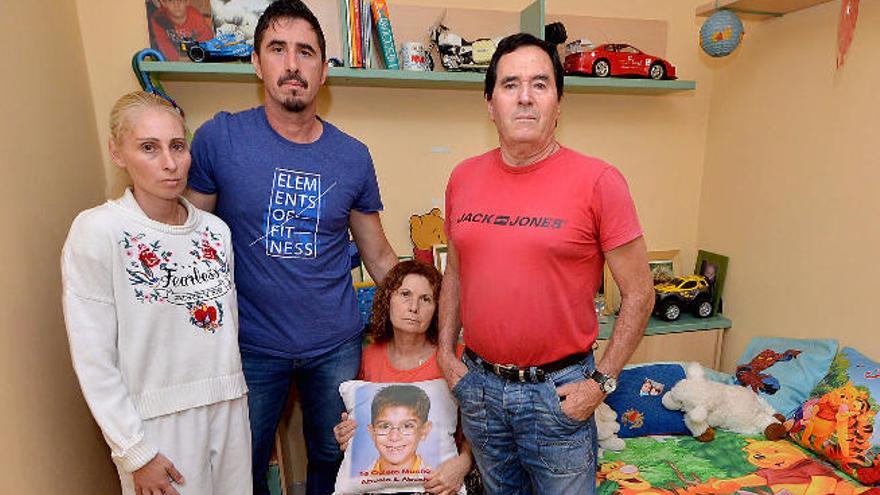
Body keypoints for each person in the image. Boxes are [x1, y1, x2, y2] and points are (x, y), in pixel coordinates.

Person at [184, 1, 398, 493]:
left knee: (332, 453)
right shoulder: (220, 139)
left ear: (324, 70)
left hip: (335, 343)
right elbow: (189, 240)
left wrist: (429, 313)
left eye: (306, 52)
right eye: (278, 49)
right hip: (249, 345)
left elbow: (379, 254)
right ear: (257, 62)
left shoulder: (352, 156)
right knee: (246, 459)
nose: (293, 64)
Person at [436, 33, 655, 495]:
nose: (525, 97)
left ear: (559, 101)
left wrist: (601, 382)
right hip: (480, 389)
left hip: (559, 395)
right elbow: (455, 273)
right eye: (510, 84)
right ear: (490, 103)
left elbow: (640, 292)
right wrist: (444, 351)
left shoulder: (600, 181)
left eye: (540, 84)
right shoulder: (462, 178)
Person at [61, 91, 251, 495]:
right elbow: (94, 358)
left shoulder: (216, 233)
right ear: (118, 153)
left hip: (229, 410)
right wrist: (135, 452)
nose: (170, 162)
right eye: (149, 148)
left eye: (177, 146)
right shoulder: (98, 231)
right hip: (156, 426)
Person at [333, 260, 474, 495]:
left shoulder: (454, 357)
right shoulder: (368, 356)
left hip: (442, 484)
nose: (413, 307)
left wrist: (462, 464)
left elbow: (484, 423)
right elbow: (359, 421)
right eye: (405, 294)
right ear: (388, 299)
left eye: (425, 299)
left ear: (438, 309)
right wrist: (346, 434)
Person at [367, 385, 434, 473]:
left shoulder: (436, 480)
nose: (394, 437)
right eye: (385, 426)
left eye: (407, 426)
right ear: (372, 432)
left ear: (424, 431)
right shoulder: (357, 482)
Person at [149, 0, 214, 61]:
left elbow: (208, 43)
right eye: (171, 0)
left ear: (187, 1)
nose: (176, 4)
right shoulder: (158, 19)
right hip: (174, 62)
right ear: (163, 3)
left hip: (196, 57)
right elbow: (164, 46)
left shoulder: (195, 16)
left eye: (180, 0)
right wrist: (178, 59)